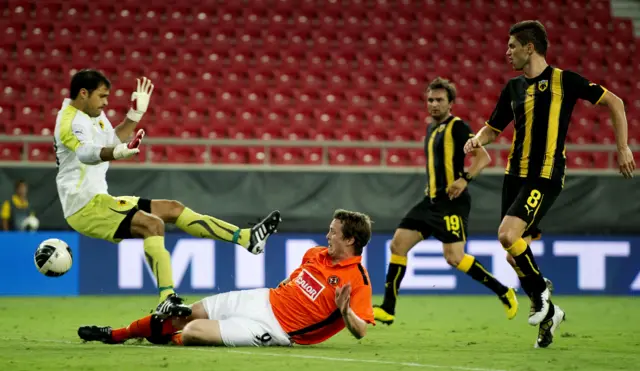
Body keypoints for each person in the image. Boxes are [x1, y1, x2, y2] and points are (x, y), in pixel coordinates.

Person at [464, 20, 636, 348]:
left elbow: (616, 102)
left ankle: (541, 294)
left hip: (544, 175)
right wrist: (477, 138)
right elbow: (493, 128)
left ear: (530, 47)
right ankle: (550, 314)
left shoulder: (564, 81)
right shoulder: (512, 88)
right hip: (514, 176)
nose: (507, 52)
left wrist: (623, 146)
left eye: (513, 46)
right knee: (514, 255)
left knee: (506, 235)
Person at [54, 69, 281, 317]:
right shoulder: (69, 121)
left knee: (173, 208)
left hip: (100, 198)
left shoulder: (93, 115)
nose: (106, 102)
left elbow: (111, 138)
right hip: (84, 206)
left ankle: (247, 238)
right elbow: (86, 153)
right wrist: (119, 152)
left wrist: (135, 114)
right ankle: (167, 298)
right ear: (83, 93)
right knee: (152, 225)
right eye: (102, 96)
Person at [77, 209, 375, 347]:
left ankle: (163, 339)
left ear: (350, 240)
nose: (328, 235)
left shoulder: (357, 279)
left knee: (193, 331)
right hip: (263, 298)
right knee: (184, 312)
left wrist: (344, 310)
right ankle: (115, 335)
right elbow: (296, 282)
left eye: (334, 232)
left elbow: (360, 331)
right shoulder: (316, 254)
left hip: (276, 329)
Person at [373, 77, 518, 325]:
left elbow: (483, 158)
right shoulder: (431, 128)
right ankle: (388, 308)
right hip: (430, 201)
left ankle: (504, 291)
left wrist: (464, 179)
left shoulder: (458, 127)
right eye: (430, 99)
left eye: (440, 100)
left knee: (454, 257)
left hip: (452, 202)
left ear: (451, 103)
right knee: (398, 244)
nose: (434, 104)